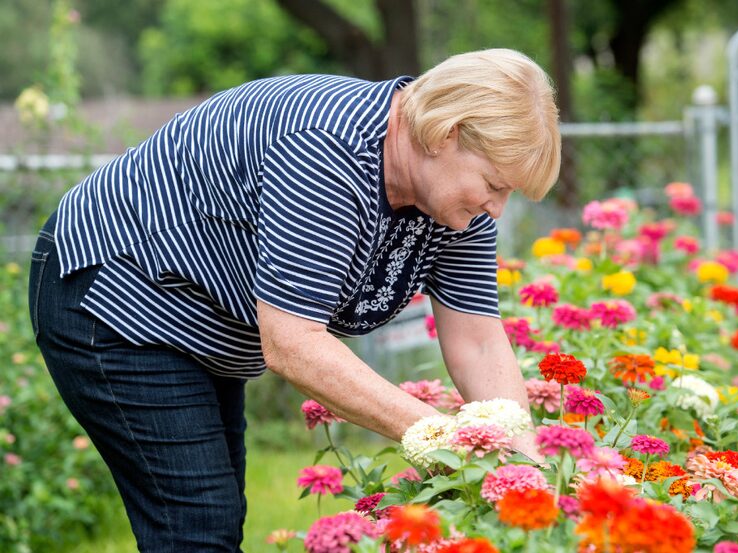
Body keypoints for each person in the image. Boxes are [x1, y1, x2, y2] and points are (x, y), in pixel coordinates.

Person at [28, 48, 561, 551]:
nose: (497, 209)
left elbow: (479, 342)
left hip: (209, 319)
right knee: (197, 524)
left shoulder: (459, 204)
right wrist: (442, 437)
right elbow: (293, 344)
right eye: (494, 184)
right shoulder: (327, 148)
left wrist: (525, 466)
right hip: (118, 293)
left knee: (212, 516)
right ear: (446, 134)